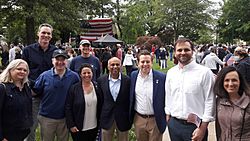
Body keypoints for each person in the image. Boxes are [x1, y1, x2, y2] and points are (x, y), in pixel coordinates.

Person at [165, 38, 215, 141]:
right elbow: (169, 95)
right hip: (174, 124)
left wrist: (203, 127)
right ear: (175, 52)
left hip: (195, 127)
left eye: (186, 49)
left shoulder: (204, 72)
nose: (182, 53)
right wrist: (168, 116)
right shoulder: (171, 73)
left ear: (193, 51)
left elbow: (210, 100)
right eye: (179, 50)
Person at [33, 49, 79, 141]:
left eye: (63, 59)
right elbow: (35, 91)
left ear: (67, 61)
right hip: (47, 117)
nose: (60, 62)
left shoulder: (74, 77)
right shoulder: (44, 76)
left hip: (64, 118)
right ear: (52, 61)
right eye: (57, 59)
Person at [22, 23, 57, 141]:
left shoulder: (56, 52)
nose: (46, 35)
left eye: (48, 33)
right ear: (38, 33)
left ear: (51, 36)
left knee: (50, 126)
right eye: (43, 32)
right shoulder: (27, 51)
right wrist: (30, 88)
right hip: (33, 93)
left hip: (50, 95)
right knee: (31, 126)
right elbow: (23, 71)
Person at [129, 50, 167, 141]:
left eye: (148, 61)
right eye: (142, 62)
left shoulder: (161, 77)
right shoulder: (133, 76)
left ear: (152, 62)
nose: (145, 64)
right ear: (138, 63)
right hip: (139, 119)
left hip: (155, 120)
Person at [97, 57, 132, 141]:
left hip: (123, 118)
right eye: (112, 65)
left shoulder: (127, 80)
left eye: (117, 64)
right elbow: (100, 100)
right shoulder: (101, 80)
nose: (115, 67)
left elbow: (129, 100)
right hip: (106, 118)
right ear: (108, 67)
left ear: (121, 66)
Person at [65, 63, 102, 141]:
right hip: (78, 127)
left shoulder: (97, 87)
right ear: (80, 75)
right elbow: (68, 107)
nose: (86, 75)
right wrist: (71, 125)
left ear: (92, 73)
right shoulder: (74, 89)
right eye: (84, 73)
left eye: (89, 73)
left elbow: (100, 105)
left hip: (94, 126)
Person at [214, 66, 250, 140]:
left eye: (234, 80)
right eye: (227, 80)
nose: (230, 84)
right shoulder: (219, 102)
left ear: (240, 81)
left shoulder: (248, 101)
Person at [0, 59, 33, 141]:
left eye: (25, 70)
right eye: (19, 69)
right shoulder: (2, 88)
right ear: (10, 69)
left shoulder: (26, 88)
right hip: (7, 136)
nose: (22, 72)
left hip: (22, 134)